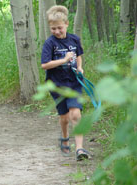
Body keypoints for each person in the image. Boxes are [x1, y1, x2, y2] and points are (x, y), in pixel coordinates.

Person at [41, 5, 90, 161]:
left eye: (59, 28)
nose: (57, 31)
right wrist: (63, 60)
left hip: (74, 82)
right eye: (53, 28)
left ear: (66, 24)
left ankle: (80, 149)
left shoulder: (74, 39)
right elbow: (44, 65)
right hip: (57, 85)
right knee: (65, 118)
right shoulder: (50, 44)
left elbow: (79, 55)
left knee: (75, 114)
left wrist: (80, 67)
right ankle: (64, 136)